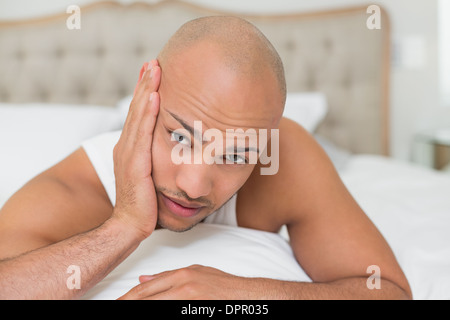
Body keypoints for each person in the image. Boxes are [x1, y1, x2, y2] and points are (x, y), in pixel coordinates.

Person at [0, 16, 412, 300]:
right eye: (180, 136)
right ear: (146, 99)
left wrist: (244, 294)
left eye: (237, 154)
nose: (194, 186)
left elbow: (386, 291)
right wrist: (124, 225)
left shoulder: (285, 155)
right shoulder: (73, 189)